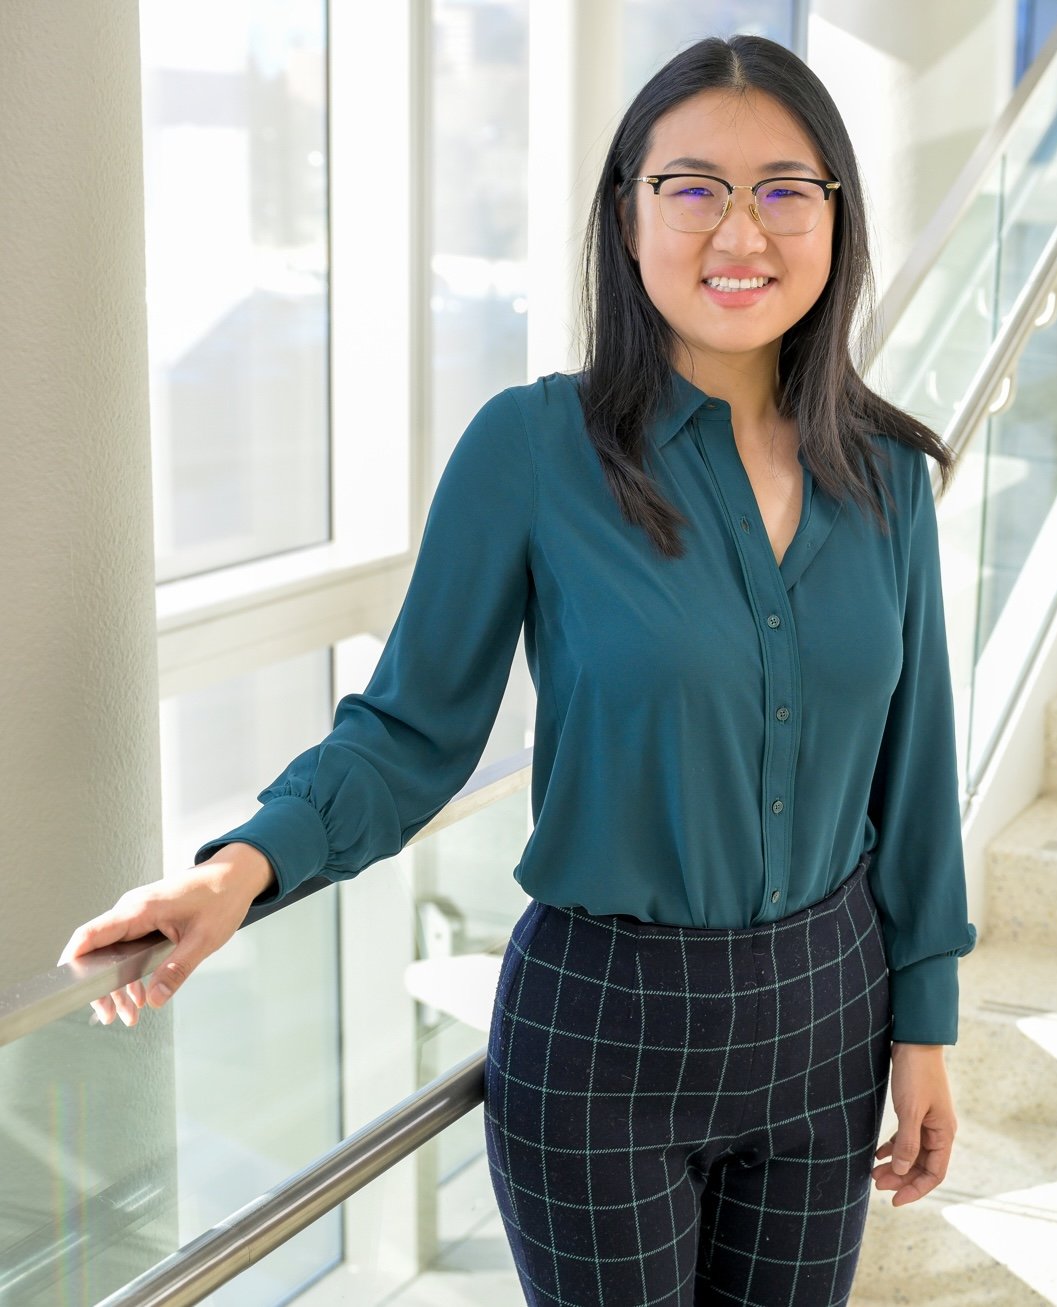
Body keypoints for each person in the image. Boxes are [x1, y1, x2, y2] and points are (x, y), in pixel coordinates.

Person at [59, 33, 976, 1307]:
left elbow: (914, 768)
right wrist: (238, 868)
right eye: (692, 187)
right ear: (625, 213)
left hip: (830, 1021)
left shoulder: (884, 476)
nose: (739, 232)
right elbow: (408, 728)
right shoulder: (533, 448)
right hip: (602, 1035)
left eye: (783, 189)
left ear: (835, 217)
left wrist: (921, 1021)